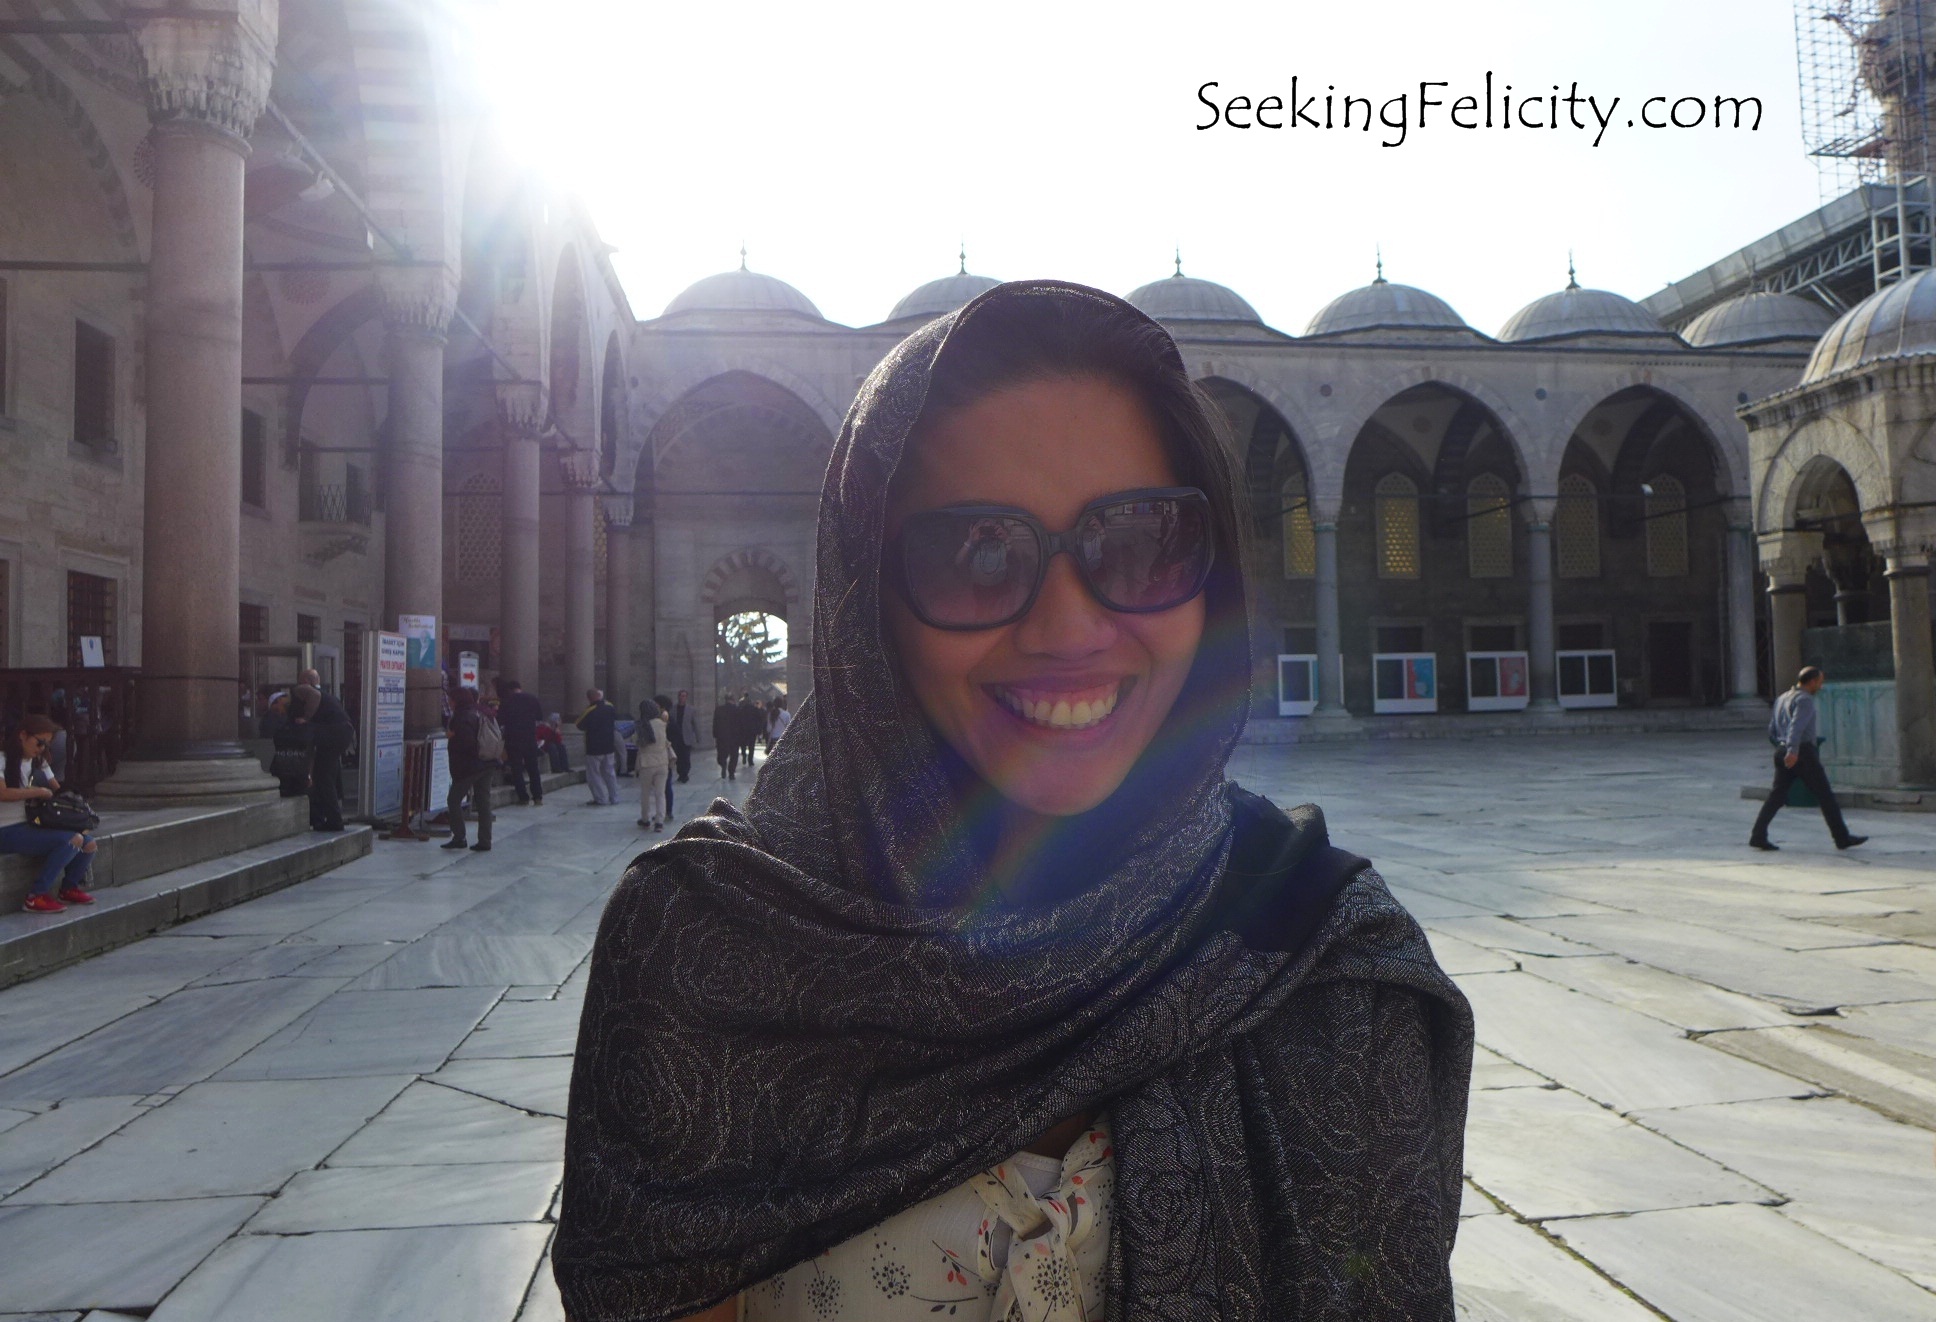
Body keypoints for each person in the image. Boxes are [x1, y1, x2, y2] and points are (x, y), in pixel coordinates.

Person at [556, 281, 1473, 1322]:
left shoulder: (1325, 962)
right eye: (977, 552)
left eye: (1141, 540)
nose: (1067, 628)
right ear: (866, 597)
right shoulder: (705, 944)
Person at [1751, 665, 1868, 852]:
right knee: (1825, 795)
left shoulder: (1782, 698)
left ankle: (1758, 835)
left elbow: (1772, 729)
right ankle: (1842, 837)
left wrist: (1782, 747)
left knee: (1777, 795)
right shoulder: (1804, 700)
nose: (1820, 687)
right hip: (1801, 752)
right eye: (1819, 682)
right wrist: (1793, 750)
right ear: (1812, 682)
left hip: (1782, 750)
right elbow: (1796, 727)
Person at [2, 715, 97, 913]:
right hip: (7, 828)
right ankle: (35, 896)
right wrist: (36, 792)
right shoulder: (2, 760)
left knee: (89, 843)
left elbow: (56, 790)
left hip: (34, 824)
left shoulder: (39, 762)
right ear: (23, 735)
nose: (41, 748)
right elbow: (3, 793)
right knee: (72, 840)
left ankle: (69, 888)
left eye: (46, 744)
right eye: (39, 742)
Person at [291, 669, 351, 833]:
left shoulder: (302, 690)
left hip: (333, 734)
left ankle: (334, 820)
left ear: (305, 681)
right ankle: (332, 816)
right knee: (327, 774)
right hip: (341, 734)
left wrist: (306, 719)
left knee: (323, 777)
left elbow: (314, 696)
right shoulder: (329, 696)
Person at [443, 686, 498, 852]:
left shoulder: (462, 716)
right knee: (483, 803)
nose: (449, 702)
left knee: (453, 800)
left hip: (470, 766)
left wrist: (452, 737)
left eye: (451, 699)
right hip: (488, 762)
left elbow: (466, 743)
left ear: (457, 700)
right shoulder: (483, 712)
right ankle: (485, 840)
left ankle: (459, 837)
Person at [495, 676, 546, 807]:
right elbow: (539, 716)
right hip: (529, 737)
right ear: (520, 688)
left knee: (517, 769)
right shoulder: (532, 699)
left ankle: (523, 797)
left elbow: (500, 720)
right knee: (533, 768)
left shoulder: (506, 701)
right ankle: (537, 797)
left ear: (509, 690)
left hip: (513, 739)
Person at [577, 689, 619, 805]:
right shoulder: (610, 706)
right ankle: (614, 798)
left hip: (594, 747)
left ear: (589, 698)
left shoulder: (590, 710)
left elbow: (579, 724)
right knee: (610, 773)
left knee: (594, 774)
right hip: (609, 745)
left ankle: (601, 799)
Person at [634, 698, 671, 832]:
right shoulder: (662, 724)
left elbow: (636, 742)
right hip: (662, 762)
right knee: (660, 793)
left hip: (646, 763)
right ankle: (659, 822)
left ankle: (646, 819)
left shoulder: (641, 725)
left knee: (645, 794)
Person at [652, 694, 677, 822]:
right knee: (662, 786)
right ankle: (663, 811)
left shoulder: (665, 719)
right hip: (661, 755)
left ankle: (667, 812)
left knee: (665, 786)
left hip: (664, 755)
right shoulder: (661, 718)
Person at [668, 689, 698, 784]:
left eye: (684, 696)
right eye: (681, 696)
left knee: (686, 757)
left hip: (686, 736)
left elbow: (695, 723)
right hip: (676, 737)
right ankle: (680, 773)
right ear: (678, 697)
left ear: (686, 697)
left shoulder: (691, 710)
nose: (682, 698)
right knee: (678, 757)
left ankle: (685, 774)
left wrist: (698, 736)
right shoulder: (672, 709)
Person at [711, 693, 739, 780]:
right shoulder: (737, 709)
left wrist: (715, 734)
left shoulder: (719, 709)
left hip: (722, 736)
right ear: (733, 700)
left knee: (722, 754)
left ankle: (723, 764)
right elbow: (741, 724)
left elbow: (715, 723)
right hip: (734, 736)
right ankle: (731, 773)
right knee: (734, 755)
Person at [736, 691, 761, 769]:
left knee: (743, 744)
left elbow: (737, 720)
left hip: (743, 729)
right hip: (752, 730)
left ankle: (744, 755)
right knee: (751, 746)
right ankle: (750, 760)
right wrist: (758, 729)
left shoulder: (740, 709)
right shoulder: (754, 709)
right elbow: (759, 719)